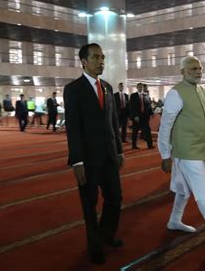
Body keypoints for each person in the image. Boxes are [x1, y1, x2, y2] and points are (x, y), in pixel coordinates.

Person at [158, 56, 205, 245]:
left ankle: (174, 220)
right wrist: (165, 154)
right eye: (193, 69)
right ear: (183, 72)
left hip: (204, 149)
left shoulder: (203, 91)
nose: (198, 72)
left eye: (199, 68)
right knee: (202, 192)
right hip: (186, 151)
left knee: (184, 190)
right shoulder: (175, 93)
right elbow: (165, 126)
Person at [64, 43, 124, 264]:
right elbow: (73, 127)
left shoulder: (107, 88)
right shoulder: (74, 89)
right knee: (89, 205)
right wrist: (76, 161)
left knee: (115, 198)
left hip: (109, 156)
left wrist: (118, 150)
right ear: (84, 61)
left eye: (103, 57)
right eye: (96, 57)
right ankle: (95, 246)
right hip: (87, 159)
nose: (101, 61)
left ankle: (106, 234)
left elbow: (113, 122)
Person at [130, 83, 154, 149]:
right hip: (137, 117)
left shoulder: (146, 95)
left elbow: (149, 105)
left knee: (147, 130)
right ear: (137, 87)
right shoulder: (133, 96)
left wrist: (151, 113)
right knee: (135, 131)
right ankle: (134, 145)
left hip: (145, 116)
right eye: (139, 87)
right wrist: (135, 116)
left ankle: (150, 145)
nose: (140, 88)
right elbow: (132, 107)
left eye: (141, 87)